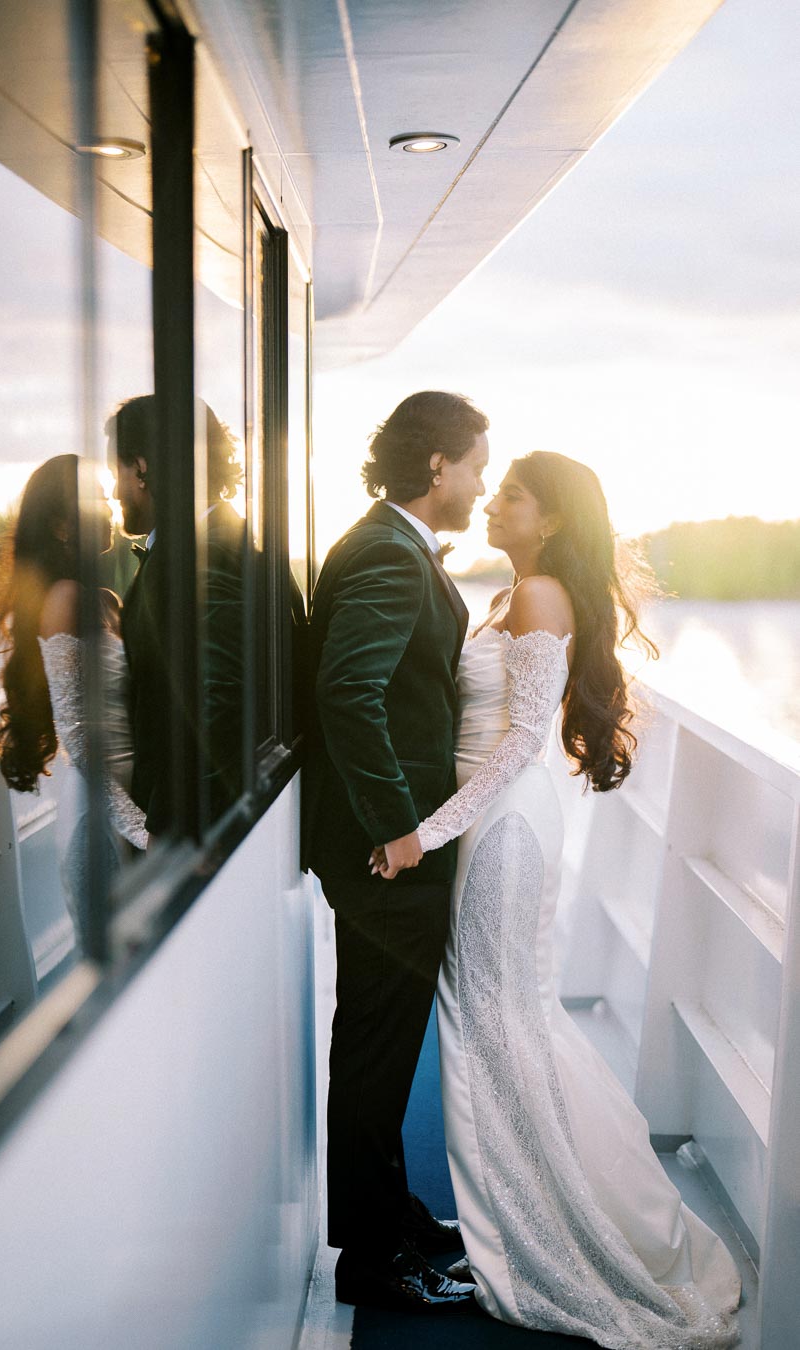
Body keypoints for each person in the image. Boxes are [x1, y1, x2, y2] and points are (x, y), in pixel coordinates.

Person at [372, 451, 741, 1346]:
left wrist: (428, 833)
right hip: (484, 820)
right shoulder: (512, 593)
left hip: (502, 826)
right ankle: (521, 1212)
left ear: (553, 521)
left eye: (514, 496)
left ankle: (555, 1227)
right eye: (494, 490)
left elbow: (520, 743)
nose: (493, 502)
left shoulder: (537, 600)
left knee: (505, 1019)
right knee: (501, 1018)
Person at [302, 391, 489, 1313]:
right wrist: (396, 829)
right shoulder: (385, 554)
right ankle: (373, 1265)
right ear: (436, 467)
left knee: (380, 1048)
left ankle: (392, 1216)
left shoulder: (392, 543)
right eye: (477, 466)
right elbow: (348, 692)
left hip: (392, 846)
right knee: (377, 1055)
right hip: (388, 856)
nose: (482, 484)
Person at [0, 454, 147, 943]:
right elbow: (78, 737)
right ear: (62, 526)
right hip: (101, 822)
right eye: (94, 497)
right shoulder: (64, 600)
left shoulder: (107, 600)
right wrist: (144, 831)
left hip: (133, 804)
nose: (110, 504)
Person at [107, 394, 246, 840]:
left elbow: (220, 703)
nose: (114, 491)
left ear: (143, 468)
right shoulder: (219, 539)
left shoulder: (208, 555)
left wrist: (175, 831)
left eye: (116, 473)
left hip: (188, 829)